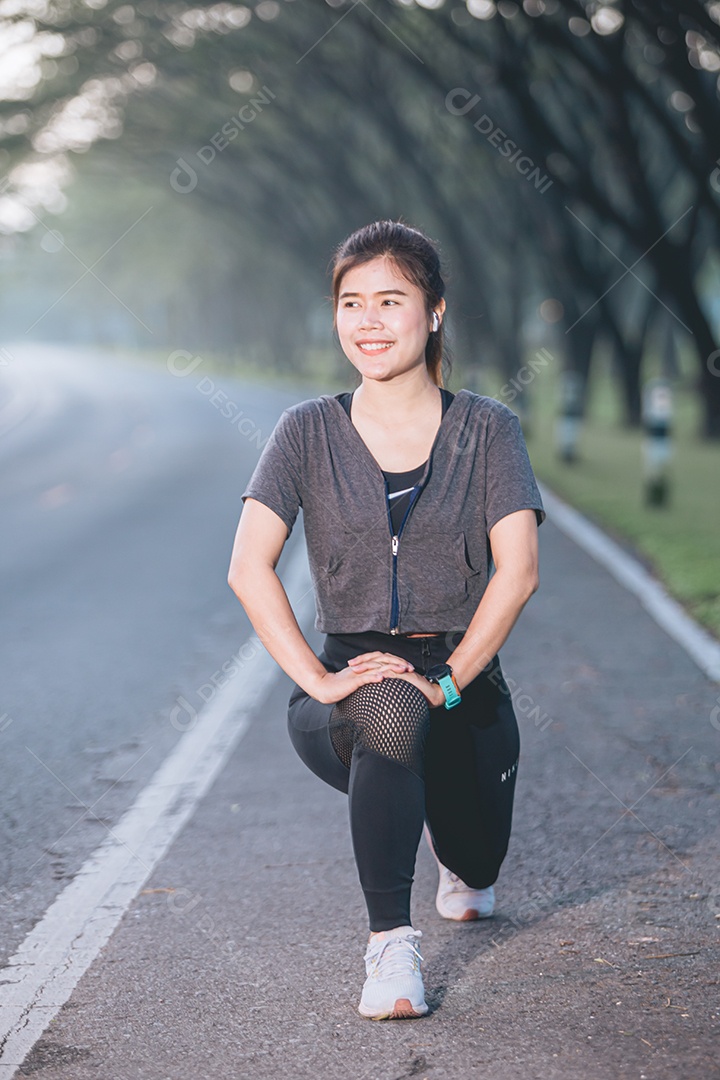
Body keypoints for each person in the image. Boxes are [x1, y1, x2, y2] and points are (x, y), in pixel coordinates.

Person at [228, 220, 545, 1021]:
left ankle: (456, 850)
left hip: (462, 680)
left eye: (390, 300)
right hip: (349, 688)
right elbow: (247, 567)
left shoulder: (488, 430)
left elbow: (519, 571)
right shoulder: (306, 430)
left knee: (478, 868)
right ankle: (389, 949)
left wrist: (447, 684)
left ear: (434, 311)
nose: (368, 320)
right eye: (351, 303)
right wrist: (320, 677)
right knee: (387, 708)